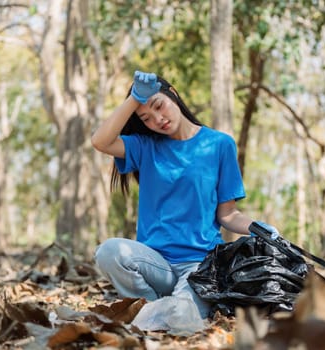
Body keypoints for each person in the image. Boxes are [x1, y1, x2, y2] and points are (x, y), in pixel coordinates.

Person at [90, 70, 280, 319]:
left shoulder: (220, 144)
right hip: (155, 264)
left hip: (200, 267)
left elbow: (228, 214)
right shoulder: (145, 146)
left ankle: (158, 313)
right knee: (108, 252)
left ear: (174, 95)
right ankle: (149, 307)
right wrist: (134, 99)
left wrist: (260, 229)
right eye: (146, 118)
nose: (157, 119)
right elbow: (100, 141)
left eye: (159, 106)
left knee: (181, 314)